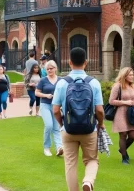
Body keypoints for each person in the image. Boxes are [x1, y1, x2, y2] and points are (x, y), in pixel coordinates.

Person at [53, 48, 104, 191]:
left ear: (70, 62)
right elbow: (99, 110)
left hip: (68, 129)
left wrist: (62, 123)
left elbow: (56, 110)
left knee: (70, 164)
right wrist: (100, 124)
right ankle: (88, 181)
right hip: (89, 129)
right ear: (85, 62)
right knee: (92, 159)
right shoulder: (94, 83)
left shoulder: (62, 83)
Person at [109, 67, 134, 165]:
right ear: (124, 76)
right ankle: (124, 157)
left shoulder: (133, 86)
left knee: (133, 136)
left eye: (132, 74)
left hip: (131, 113)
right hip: (120, 113)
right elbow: (111, 101)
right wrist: (125, 102)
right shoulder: (117, 86)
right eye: (130, 75)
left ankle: (122, 149)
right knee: (123, 134)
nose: (132, 76)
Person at [35, 60, 63, 156]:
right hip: (45, 105)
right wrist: (46, 95)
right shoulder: (43, 80)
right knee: (49, 125)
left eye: (51, 68)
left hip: (56, 106)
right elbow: (36, 92)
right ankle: (46, 147)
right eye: (47, 69)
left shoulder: (60, 80)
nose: (49, 70)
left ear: (55, 69)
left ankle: (59, 147)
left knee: (56, 127)